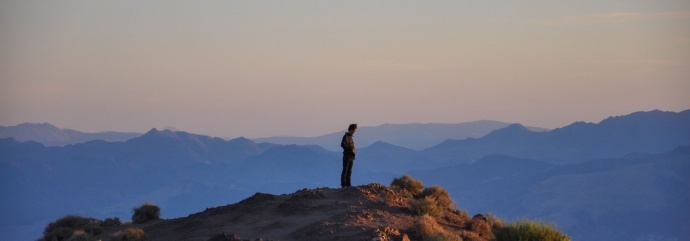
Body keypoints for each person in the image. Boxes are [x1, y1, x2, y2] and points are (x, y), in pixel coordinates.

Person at [340, 123, 357, 188]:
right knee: (345, 170)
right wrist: (350, 149)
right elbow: (343, 144)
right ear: (351, 130)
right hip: (347, 156)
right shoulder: (346, 136)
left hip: (351, 156)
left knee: (349, 171)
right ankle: (344, 185)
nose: (355, 132)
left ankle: (348, 184)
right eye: (355, 130)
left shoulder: (350, 137)